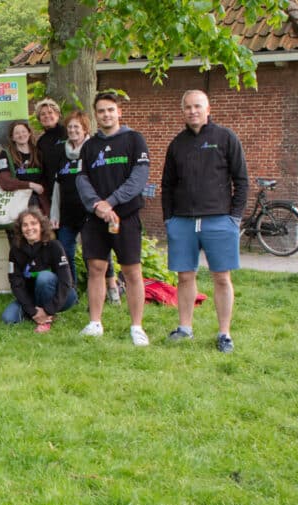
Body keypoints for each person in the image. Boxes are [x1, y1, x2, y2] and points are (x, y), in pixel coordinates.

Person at [161, 90, 248, 354]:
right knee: (185, 276)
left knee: (221, 277)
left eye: (197, 106)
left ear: (208, 108)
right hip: (183, 222)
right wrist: (169, 219)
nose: (192, 111)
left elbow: (241, 180)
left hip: (219, 220)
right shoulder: (177, 144)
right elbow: (167, 185)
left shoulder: (225, 138)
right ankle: (185, 328)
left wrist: (234, 218)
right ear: (183, 111)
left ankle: (224, 334)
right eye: (187, 107)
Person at [75, 92, 151, 345]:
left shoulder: (134, 140)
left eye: (110, 110)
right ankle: (95, 323)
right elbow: (81, 179)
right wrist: (97, 205)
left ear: (119, 112)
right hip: (96, 217)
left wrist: (112, 202)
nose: (106, 115)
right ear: (95, 115)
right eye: (101, 111)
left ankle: (136, 327)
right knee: (96, 269)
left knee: (131, 271)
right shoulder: (89, 146)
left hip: (125, 216)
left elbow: (139, 178)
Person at [53, 111, 122, 300]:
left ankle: (112, 286)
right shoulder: (62, 153)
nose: (73, 130)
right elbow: (57, 186)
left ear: (85, 129)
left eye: (77, 127)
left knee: (97, 252)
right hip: (67, 212)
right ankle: (71, 290)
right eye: (70, 127)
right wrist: (54, 213)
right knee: (66, 251)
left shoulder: (93, 149)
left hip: (90, 211)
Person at [1, 208, 77, 333]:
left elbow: (66, 281)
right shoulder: (15, 250)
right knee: (8, 318)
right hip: (32, 297)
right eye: (25, 225)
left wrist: (49, 309)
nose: (29, 228)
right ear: (20, 229)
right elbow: (16, 283)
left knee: (44, 277)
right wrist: (32, 310)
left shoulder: (54, 246)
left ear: (41, 226)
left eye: (33, 223)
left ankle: (47, 319)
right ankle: (37, 315)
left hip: (62, 295)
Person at [0, 120, 49, 216]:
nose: (21, 135)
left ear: (29, 133)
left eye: (23, 131)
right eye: (17, 133)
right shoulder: (6, 154)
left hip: (38, 204)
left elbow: (45, 180)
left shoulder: (38, 153)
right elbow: (5, 181)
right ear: (12, 137)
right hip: (16, 204)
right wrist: (30, 185)